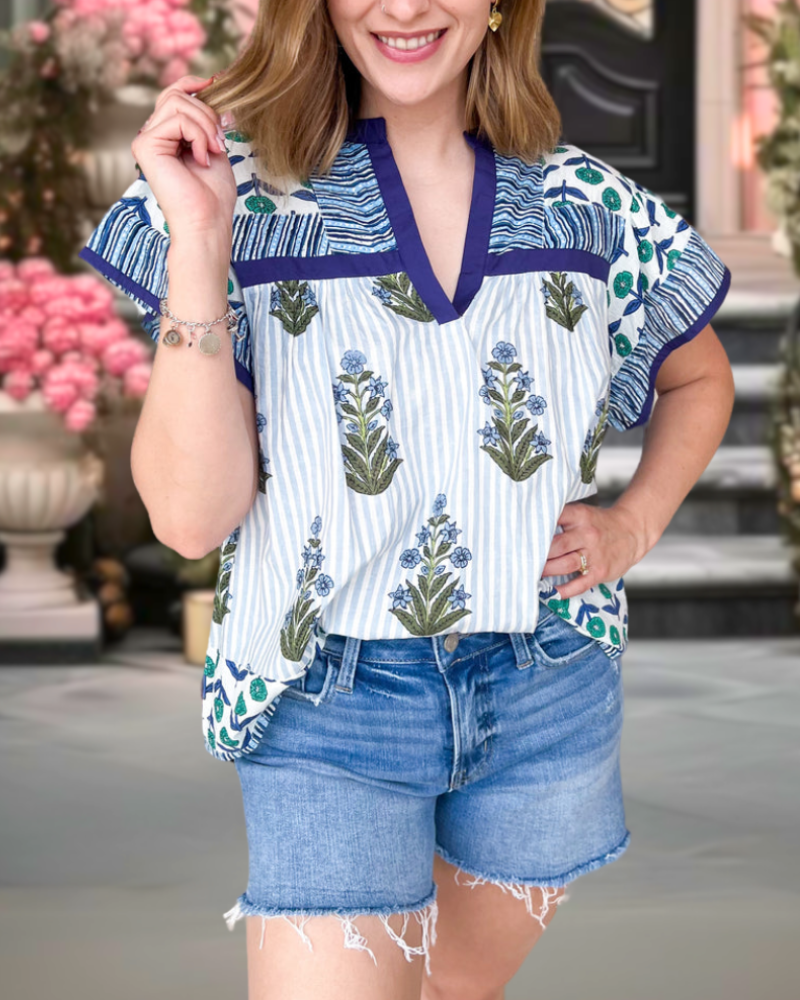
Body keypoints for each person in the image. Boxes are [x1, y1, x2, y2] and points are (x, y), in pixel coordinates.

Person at [78, 1, 736, 997]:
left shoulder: (588, 204)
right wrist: (201, 244)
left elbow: (698, 377)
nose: (404, 6)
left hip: (544, 684)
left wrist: (633, 521)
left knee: (455, 992)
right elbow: (189, 519)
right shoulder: (226, 196)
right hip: (325, 695)